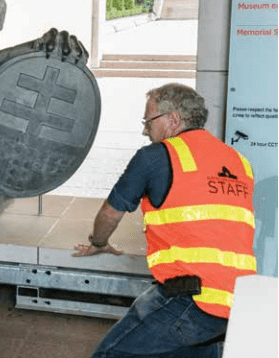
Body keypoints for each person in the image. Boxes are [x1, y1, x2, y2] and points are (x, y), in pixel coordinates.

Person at [73, 83, 256, 358]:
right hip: (239, 302)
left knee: (109, 354)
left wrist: (98, 242)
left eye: (149, 121)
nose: (145, 130)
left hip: (192, 299)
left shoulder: (156, 156)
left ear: (173, 120)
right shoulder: (239, 161)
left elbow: (110, 213)